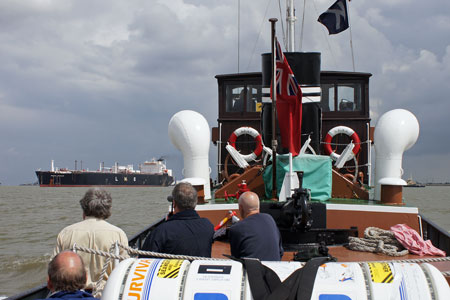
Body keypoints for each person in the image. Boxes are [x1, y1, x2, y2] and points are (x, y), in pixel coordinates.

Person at [53, 188, 128, 291]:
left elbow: (54, 269)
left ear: (84, 208)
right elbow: (125, 269)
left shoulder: (66, 233)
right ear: (107, 209)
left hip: (73, 293)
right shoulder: (118, 234)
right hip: (106, 292)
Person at [141, 182, 214, 257]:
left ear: (174, 203)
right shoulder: (208, 226)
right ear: (195, 203)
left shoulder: (162, 231)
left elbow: (145, 260)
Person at [228, 191, 284, 260]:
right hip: (274, 268)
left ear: (241, 208)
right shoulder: (270, 219)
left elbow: (236, 259)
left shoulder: (236, 228)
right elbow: (280, 251)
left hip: (251, 269)